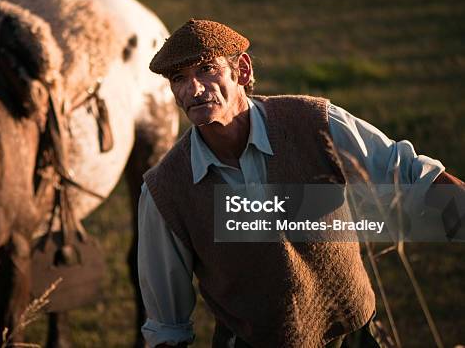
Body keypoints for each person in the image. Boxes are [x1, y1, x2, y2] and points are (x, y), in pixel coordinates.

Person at [137, 19, 464, 347]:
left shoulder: (314, 122)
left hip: (354, 335)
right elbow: (167, 325)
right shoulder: (165, 190)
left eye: (207, 69)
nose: (192, 89)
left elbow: (406, 173)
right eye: (179, 78)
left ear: (243, 71)